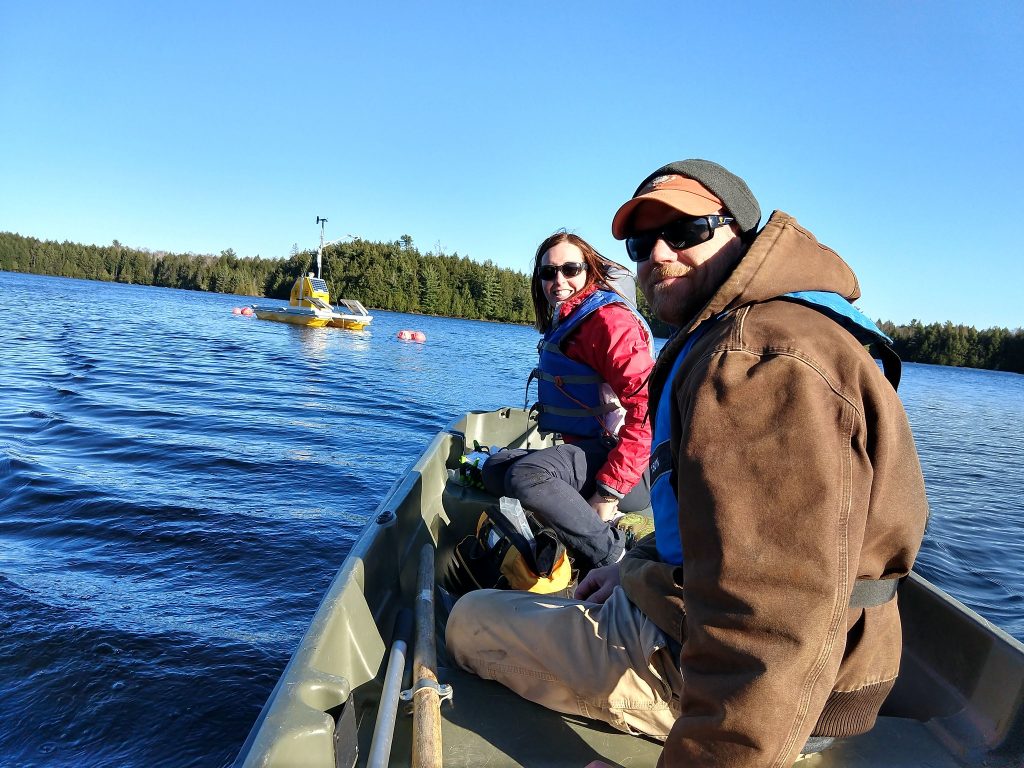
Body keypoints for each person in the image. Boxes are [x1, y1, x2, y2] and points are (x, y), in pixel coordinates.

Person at [446, 160, 930, 766]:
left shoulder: (755, 364)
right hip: (709, 626)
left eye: (686, 231)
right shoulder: (760, 331)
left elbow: (772, 620)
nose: (658, 254)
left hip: (783, 696)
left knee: (470, 620)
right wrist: (631, 573)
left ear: (741, 231)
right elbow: (713, 533)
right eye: (641, 242)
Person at [478, 231, 655, 571]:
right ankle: (581, 530)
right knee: (495, 469)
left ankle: (614, 556)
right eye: (548, 272)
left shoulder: (609, 321)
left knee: (526, 476)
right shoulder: (573, 319)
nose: (558, 280)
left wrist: (606, 495)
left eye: (570, 269)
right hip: (593, 452)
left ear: (590, 270)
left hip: (631, 469)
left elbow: (647, 412)